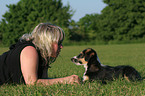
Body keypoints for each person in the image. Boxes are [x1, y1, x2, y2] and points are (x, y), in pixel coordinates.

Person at [0, 23, 80, 85]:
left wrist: (69, 79)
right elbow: (32, 83)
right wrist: (66, 80)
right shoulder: (29, 50)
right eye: (58, 43)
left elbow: (44, 80)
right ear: (48, 42)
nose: (61, 47)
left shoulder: (43, 55)